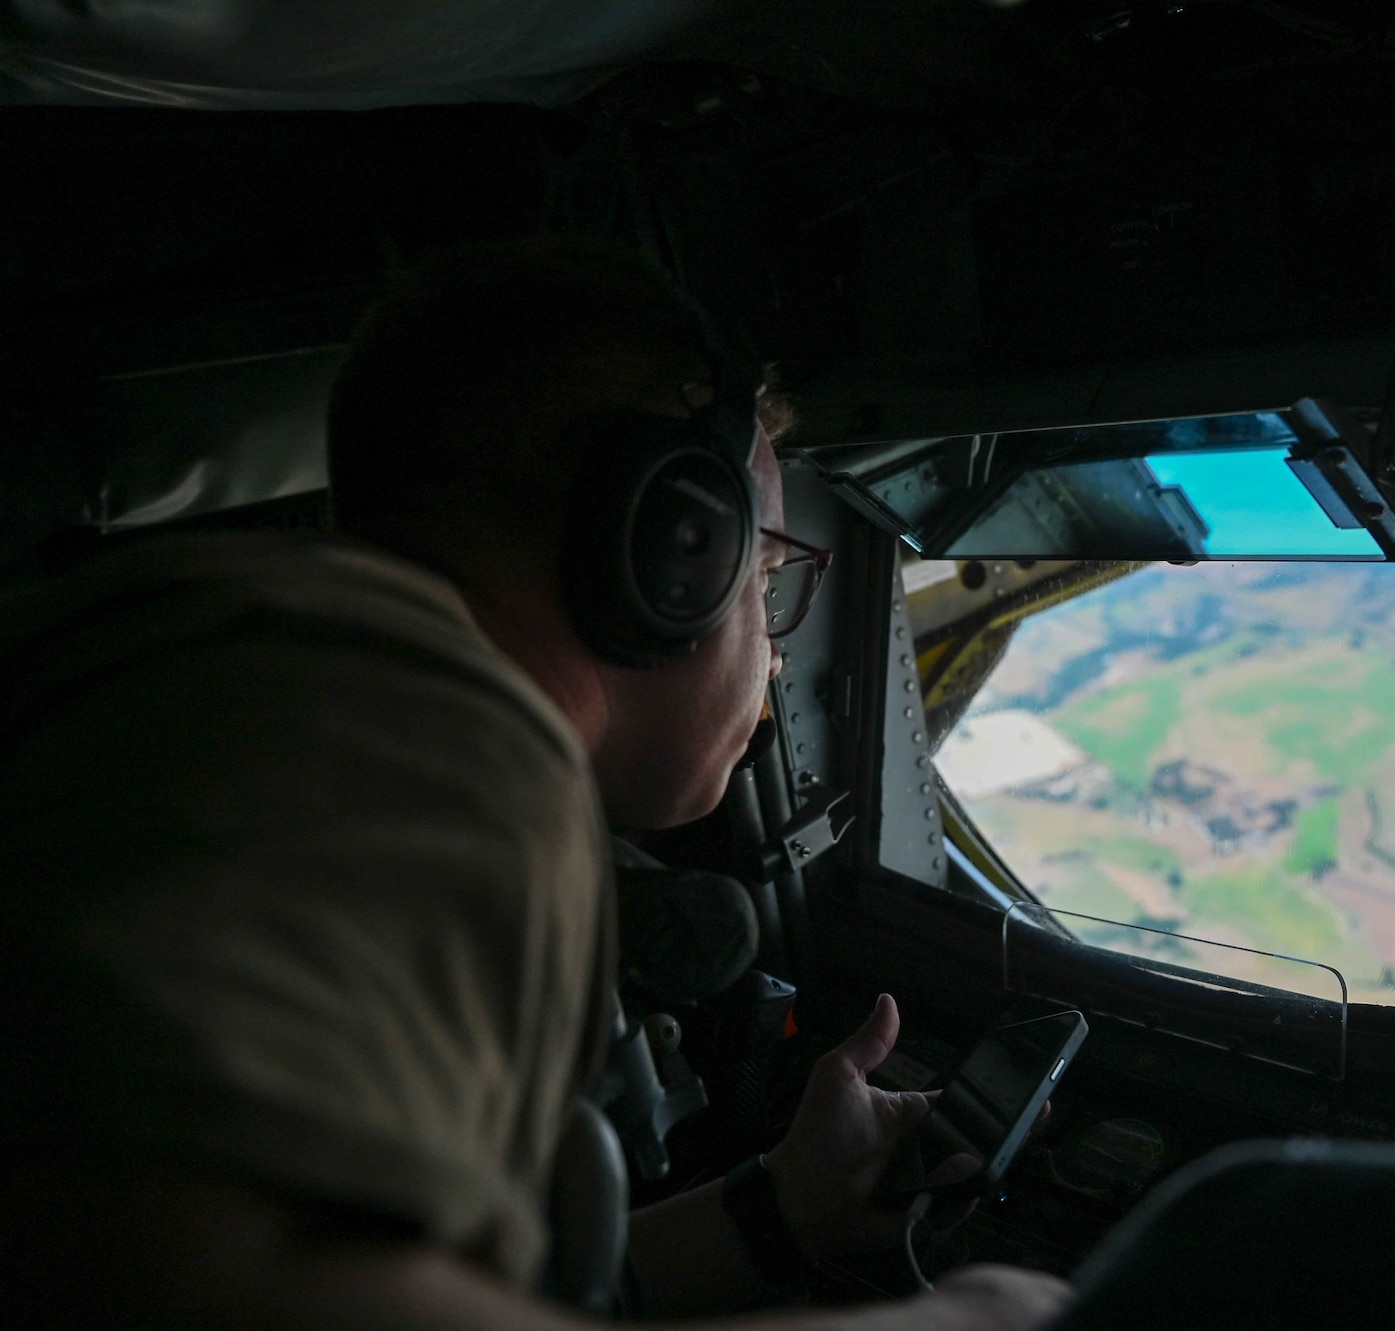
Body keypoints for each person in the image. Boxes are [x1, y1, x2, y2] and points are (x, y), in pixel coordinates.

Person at [0, 238, 1068, 1330]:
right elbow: (198, 1290)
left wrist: (777, 1213)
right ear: (672, 551)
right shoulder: (409, 714)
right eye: (763, 574)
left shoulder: (253, 672)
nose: (777, 649)